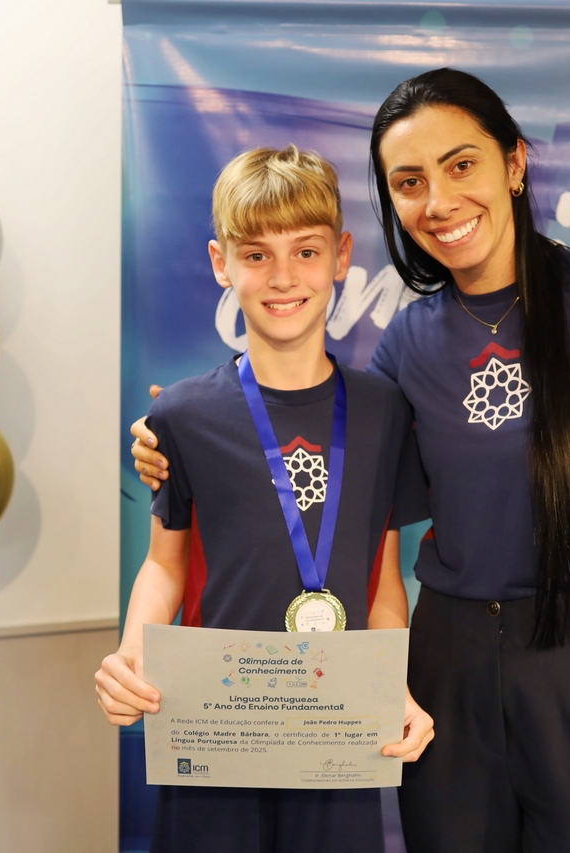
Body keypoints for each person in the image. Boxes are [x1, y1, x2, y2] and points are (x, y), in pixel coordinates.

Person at [133, 69, 570, 853]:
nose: (438, 201)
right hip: (448, 662)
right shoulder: (406, 344)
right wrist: (168, 437)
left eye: (461, 164)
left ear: (514, 163)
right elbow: (314, 449)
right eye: (409, 182)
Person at [97, 145, 434, 853]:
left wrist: (391, 687)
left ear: (341, 256)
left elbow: (382, 581)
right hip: (213, 735)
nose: (283, 277)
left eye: (306, 251)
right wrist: (131, 654)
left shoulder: (383, 412)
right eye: (256, 255)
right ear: (222, 263)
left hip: (337, 740)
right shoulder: (182, 415)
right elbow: (164, 564)